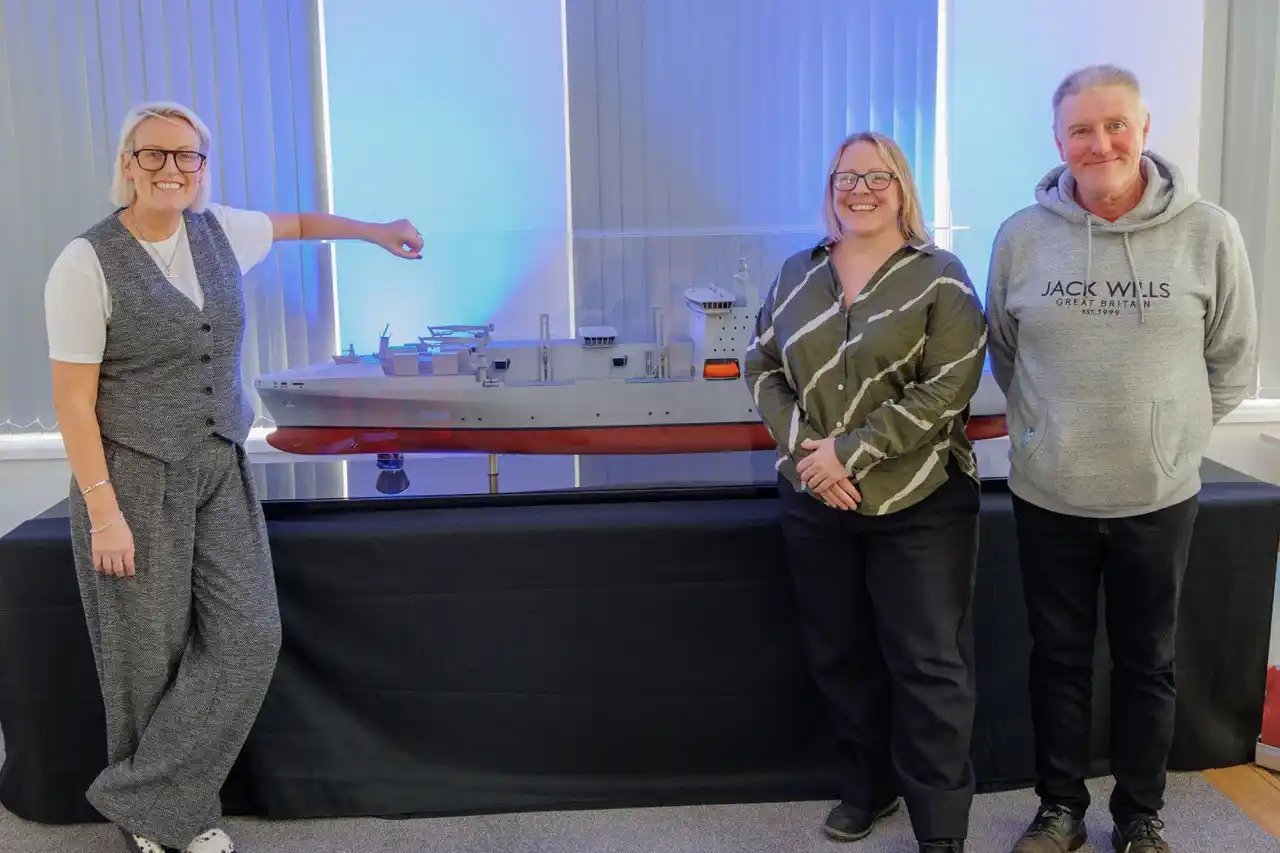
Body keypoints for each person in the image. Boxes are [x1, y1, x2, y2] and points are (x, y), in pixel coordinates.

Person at [44, 101, 424, 853]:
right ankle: (170, 822)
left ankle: (140, 798)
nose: (173, 169)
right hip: (130, 478)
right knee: (145, 654)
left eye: (188, 156)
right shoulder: (84, 263)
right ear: (127, 163)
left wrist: (377, 232)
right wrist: (104, 509)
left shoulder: (222, 230)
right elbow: (73, 405)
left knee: (251, 633)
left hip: (218, 465)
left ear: (203, 166)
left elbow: (302, 226)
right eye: (154, 155)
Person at [984, 65, 1257, 853]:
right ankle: (1059, 808)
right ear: (1058, 140)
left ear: (1143, 128)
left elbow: (1232, 362)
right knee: (1058, 660)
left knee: (1149, 663)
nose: (1098, 142)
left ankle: (1140, 814)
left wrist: (1168, 435)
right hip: (1050, 493)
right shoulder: (1021, 236)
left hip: (1158, 494)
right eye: (1079, 129)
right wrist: (1045, 432)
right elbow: (1007, 354)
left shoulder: (1209, 231)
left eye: (1114, 125)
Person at [743, 130, 989, 853]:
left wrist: (849, 450)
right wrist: (809, 457)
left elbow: (951, 386)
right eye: (846, 177)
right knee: (840, 653)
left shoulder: (940, 276)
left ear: (903, 188)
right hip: (816, 502)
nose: (860, 189)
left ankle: (940, 826)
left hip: (919, 501)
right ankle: (868, 787)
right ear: (830, 189)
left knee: (928, 665)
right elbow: (760, 365)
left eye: (877, 176)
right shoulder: (797, 273)